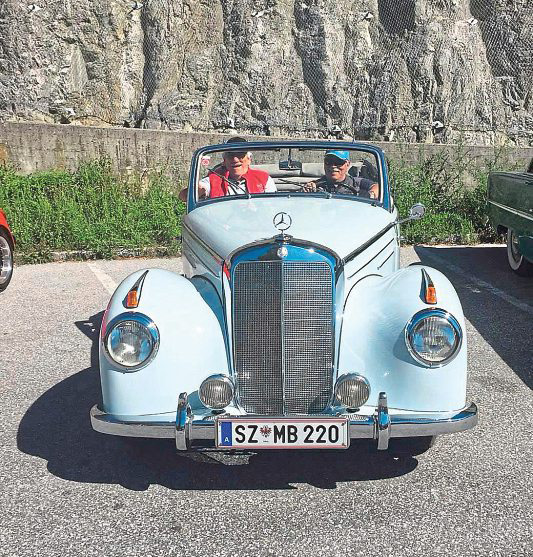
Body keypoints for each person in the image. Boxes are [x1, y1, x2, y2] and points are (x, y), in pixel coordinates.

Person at [179, 137, 276, 201]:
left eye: (240, 155)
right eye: (230, 155)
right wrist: (199, 190)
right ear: (224, 161)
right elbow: (183, 197)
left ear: (249, 159)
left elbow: (272, 206)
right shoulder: (214, 179)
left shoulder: (264, 179)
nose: (235, 159)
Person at [303, 150, 379, 199]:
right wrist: (307, 190)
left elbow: (377, 187)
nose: (333, 166)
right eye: (328, 161)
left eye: (338, 162)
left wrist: (369, 195)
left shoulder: (356, 183)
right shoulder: (316, 185)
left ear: (348, 164)